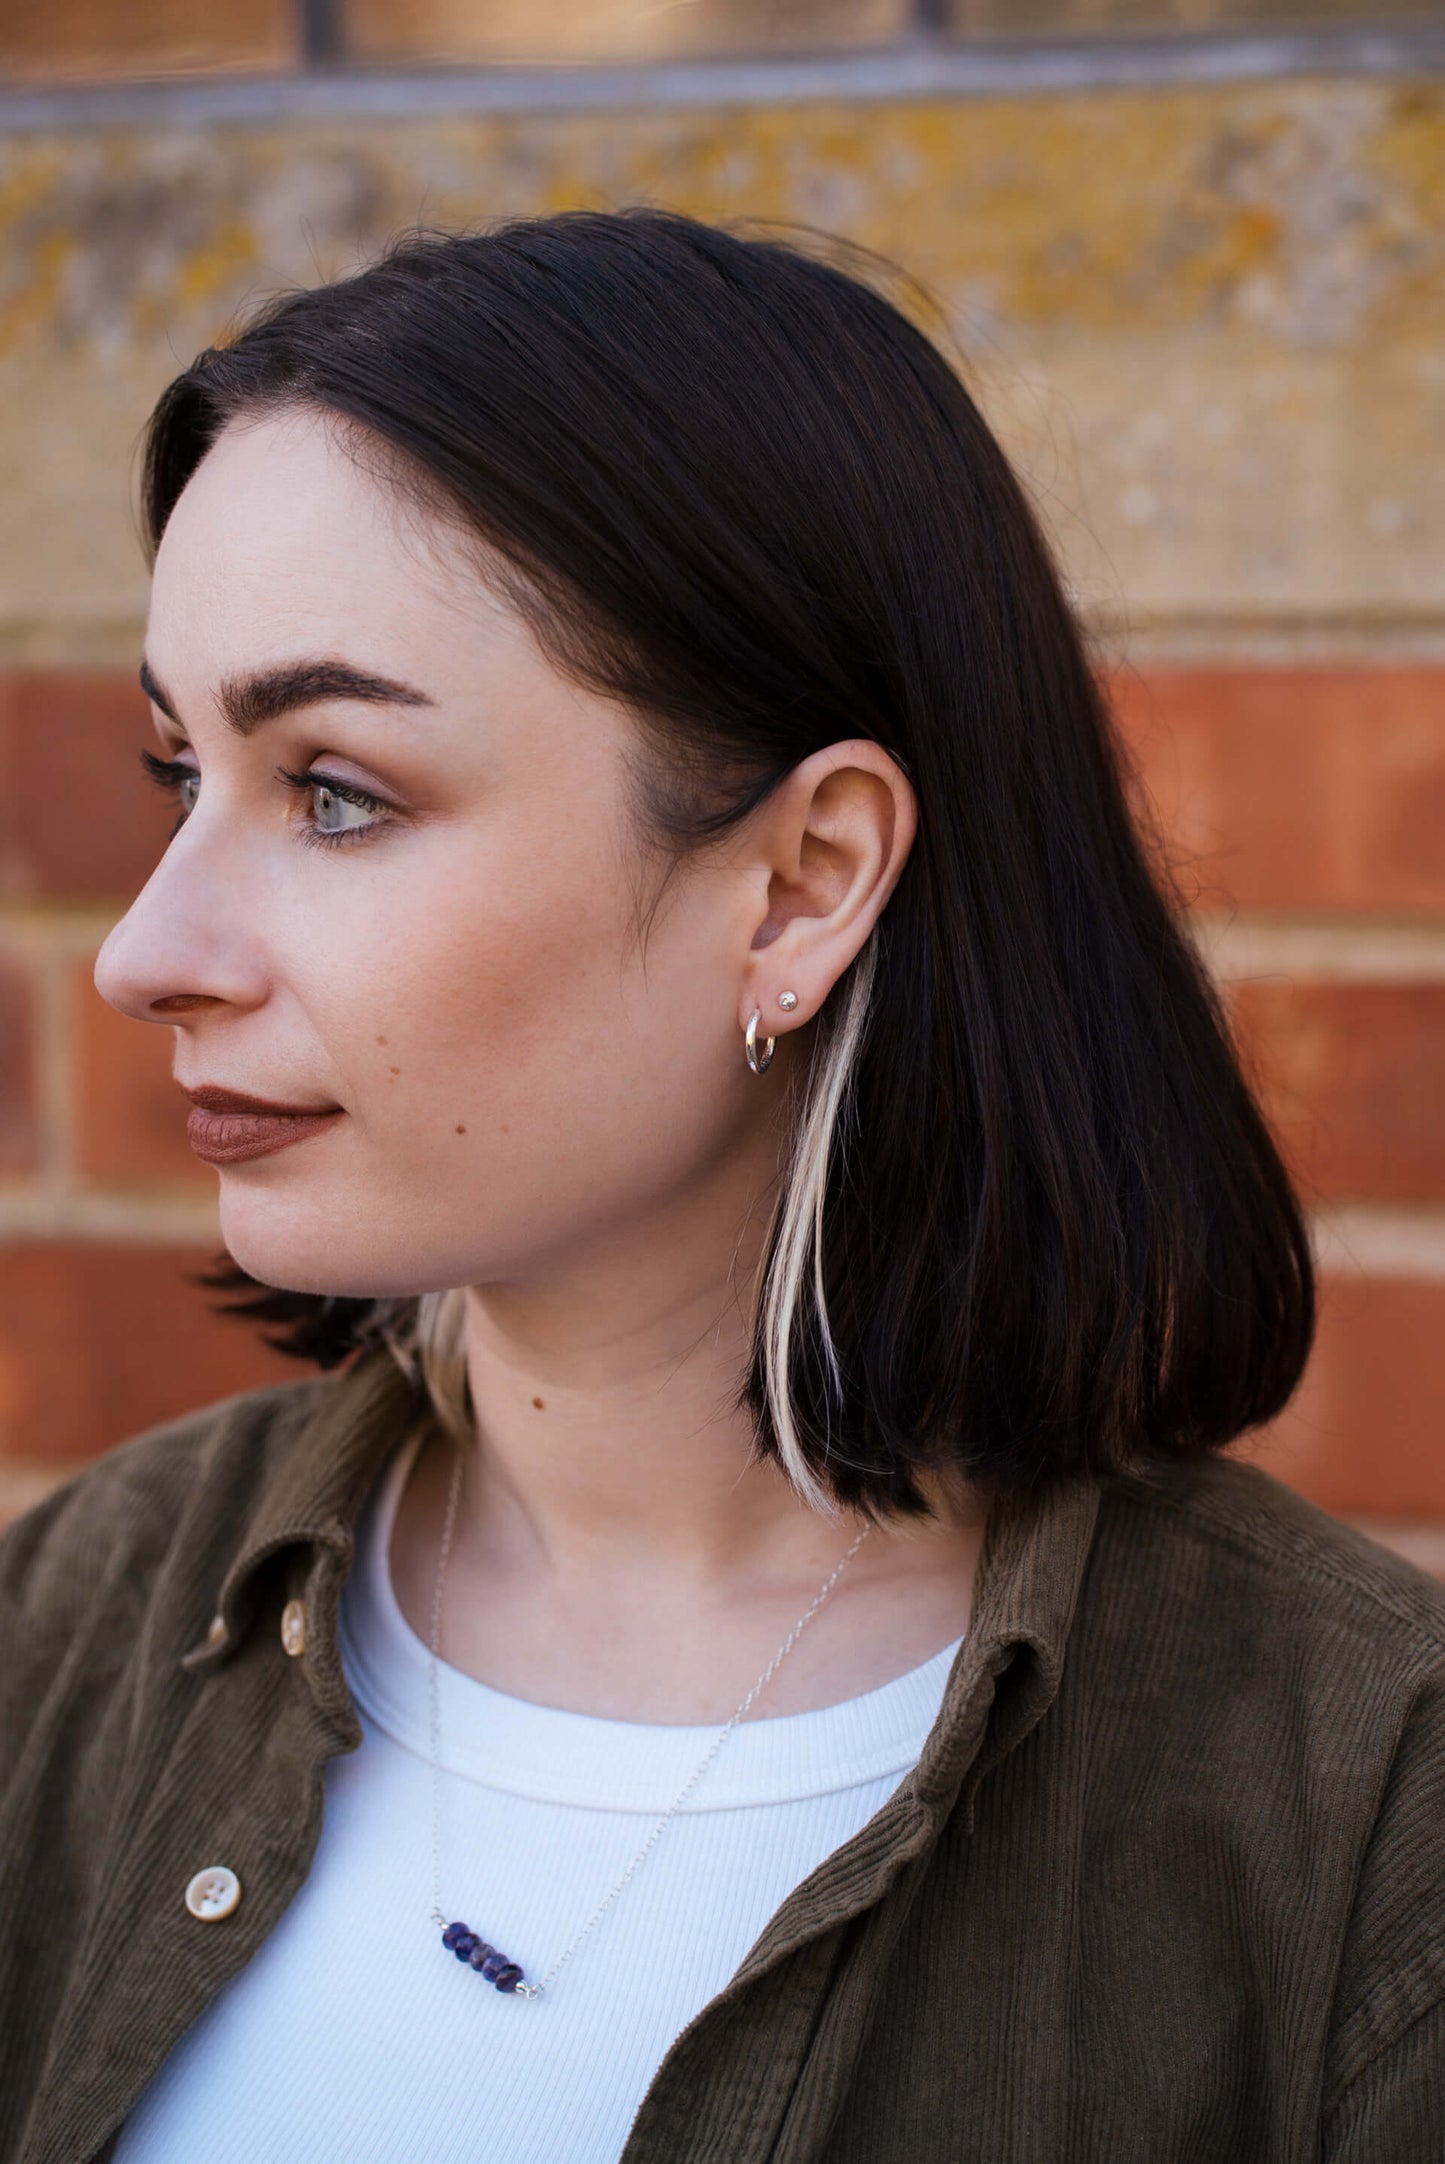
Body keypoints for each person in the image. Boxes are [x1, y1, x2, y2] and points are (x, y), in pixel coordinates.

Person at [1, 207, 1441, 2164]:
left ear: (803, 881)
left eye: (336, 789)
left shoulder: (1359, 1811)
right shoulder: (67, 1628)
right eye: (188, 775)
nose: (147, 952)